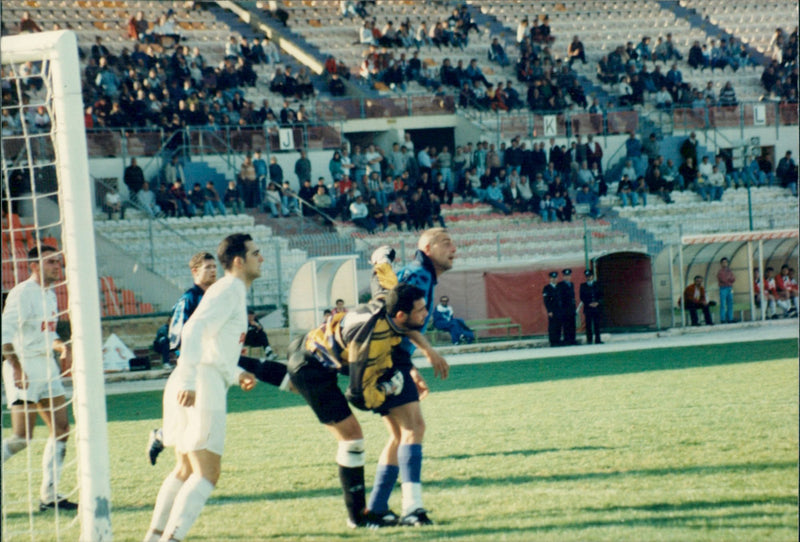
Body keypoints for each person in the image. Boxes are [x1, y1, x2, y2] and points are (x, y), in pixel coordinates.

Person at [286, 280, 435, 528]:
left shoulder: (387, 308)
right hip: (309, 368)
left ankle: (374, 512)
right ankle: (359, 518)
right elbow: (358, 396)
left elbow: (383, 279)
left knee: (393, 433)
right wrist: (388, 388)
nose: (425, 314)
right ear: (399, 315)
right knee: (353, 438)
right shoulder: (371, 340)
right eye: (420, 310)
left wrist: (383, 257)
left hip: (316, 355)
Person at [143, 235, 262, 542]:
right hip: (200, 386)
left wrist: (237, 375)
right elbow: (192, 330)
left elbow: (212, 348)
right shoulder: (230, 288)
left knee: (184, 470)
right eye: (255, 253)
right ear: (239, 260)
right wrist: (188, 380)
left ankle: (154, 538)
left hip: (195, 380)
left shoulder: (229, 290)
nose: (260, 258)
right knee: (207, 474)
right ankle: (171, 538)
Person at [146, 251, 290, 466]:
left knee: (194, 428)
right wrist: (186, 368)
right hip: (198, 367)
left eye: (215, 267)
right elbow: (179, 336)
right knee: (184, 431)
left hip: (220, 362)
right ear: (195, 272)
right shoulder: (188, 300)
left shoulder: (222, 293)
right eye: (207, 267)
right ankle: (162, 438)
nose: (213, 271)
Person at [366, 230, 453, 526]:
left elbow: (397, 323)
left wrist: (411, 367)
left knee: (401, 433)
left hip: (386, 357)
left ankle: (376, 509)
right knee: (414, 428)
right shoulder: (418, 275)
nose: (453, 248)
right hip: (385, 358)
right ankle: (412, 508)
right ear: (427, 248)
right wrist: (428, 351)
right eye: (446, 243)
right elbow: (396, 316)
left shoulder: (421, 274)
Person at [2, 245, 77, 511]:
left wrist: (61, 346)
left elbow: (48, 333)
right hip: (24, 366)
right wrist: (17, 368)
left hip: (47, 366)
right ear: (34, 265)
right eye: (52, 262)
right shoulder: (22, 294)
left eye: (59, 262)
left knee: (62, 430)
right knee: (22, 437)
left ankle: (50, 495)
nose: (58, 267)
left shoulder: (50, 294)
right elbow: (4, 335)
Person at [579, 269, 603, 344]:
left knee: (597, 324)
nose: (588, 278)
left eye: (589, 276)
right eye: (587, 276)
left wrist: (597, 302)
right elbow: (582, 297)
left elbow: (601, 295)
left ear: (592, 276)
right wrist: (588, 303)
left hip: (596, 307)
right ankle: (589, 340)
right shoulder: (583, 286)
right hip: (588, 307)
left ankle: (598, 339)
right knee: (588, 325)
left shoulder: (597, 284)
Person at [556, 269, 578, 345]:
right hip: (565, 309)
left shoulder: (571, 284)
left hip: (571, 308)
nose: (567, 277)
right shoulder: (560, 285)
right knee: (566, 325)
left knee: (572, 325)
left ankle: (573, 339)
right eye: (566, 276)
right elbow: (559, 298)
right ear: (563, 277)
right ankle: (567, 340)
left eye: (568, 276)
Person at [542, 271, 561, 346]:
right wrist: (549, 311)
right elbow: (546, 301)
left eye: (555, 278)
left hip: (559, 310)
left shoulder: (559, 287)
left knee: (559, 325)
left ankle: (558, 340)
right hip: (552, 310)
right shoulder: (547, 288)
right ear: (550, 279)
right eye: (552, 278)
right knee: (552, 326)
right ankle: (553, 341)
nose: (554, 279)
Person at [716, 257, 736, 324]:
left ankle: (730, 318)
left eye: (726, 262)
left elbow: (733, 279)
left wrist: (729, 279)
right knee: (723, 304)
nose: (725, 264)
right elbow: (723, 279)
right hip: (723, 288)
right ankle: (723, 319)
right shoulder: (720, 272)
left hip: (729, 288)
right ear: (721, 264)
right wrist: (729, 279)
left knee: (730, 303)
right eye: (723, 262)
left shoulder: (729, 271)